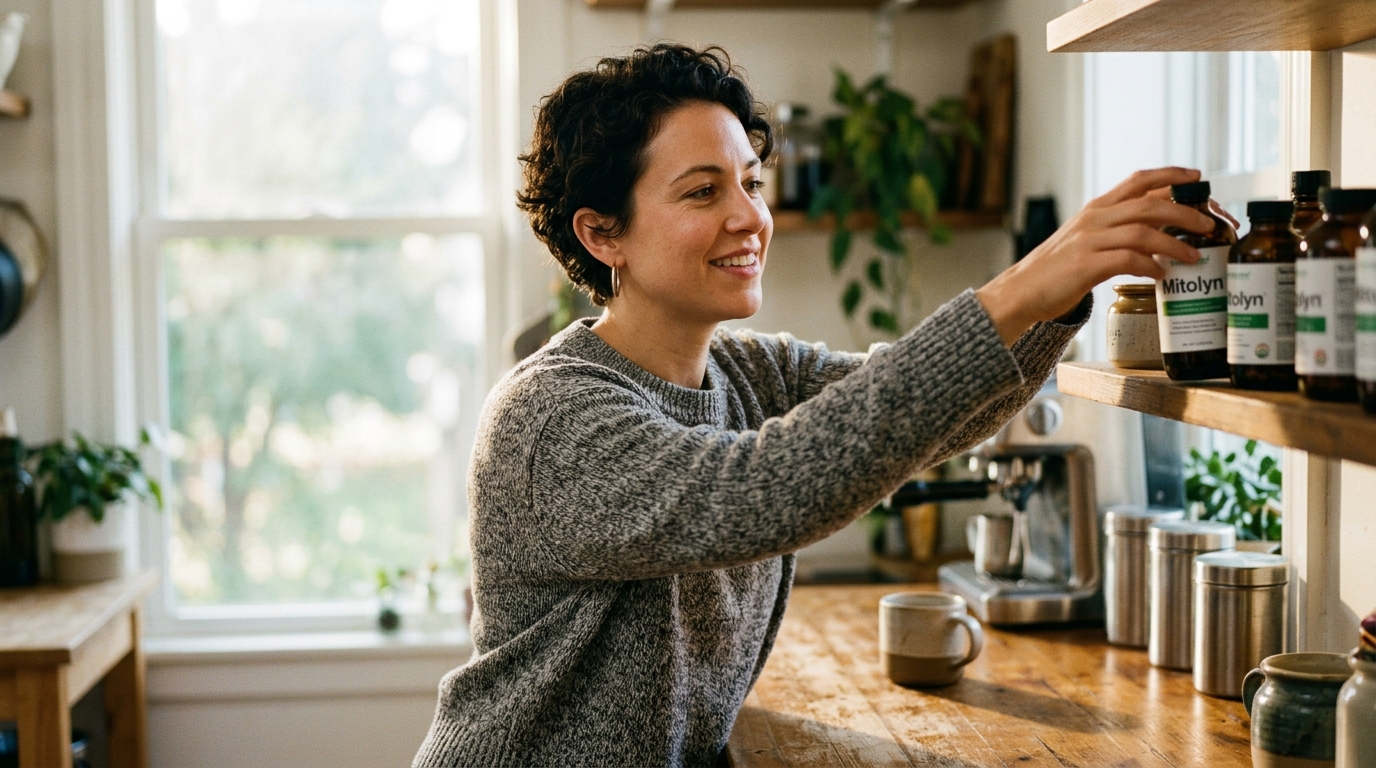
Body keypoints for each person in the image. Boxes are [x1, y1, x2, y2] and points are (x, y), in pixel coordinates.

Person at [413, 44, 1213, 768]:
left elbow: (931, 413)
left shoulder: (748, 372)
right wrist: (1021, 285)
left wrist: (1064, 290)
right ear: (601, 233)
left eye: (751, 184)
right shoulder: (549, 416)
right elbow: (769, 485)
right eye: (702, 191)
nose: (749, 217)